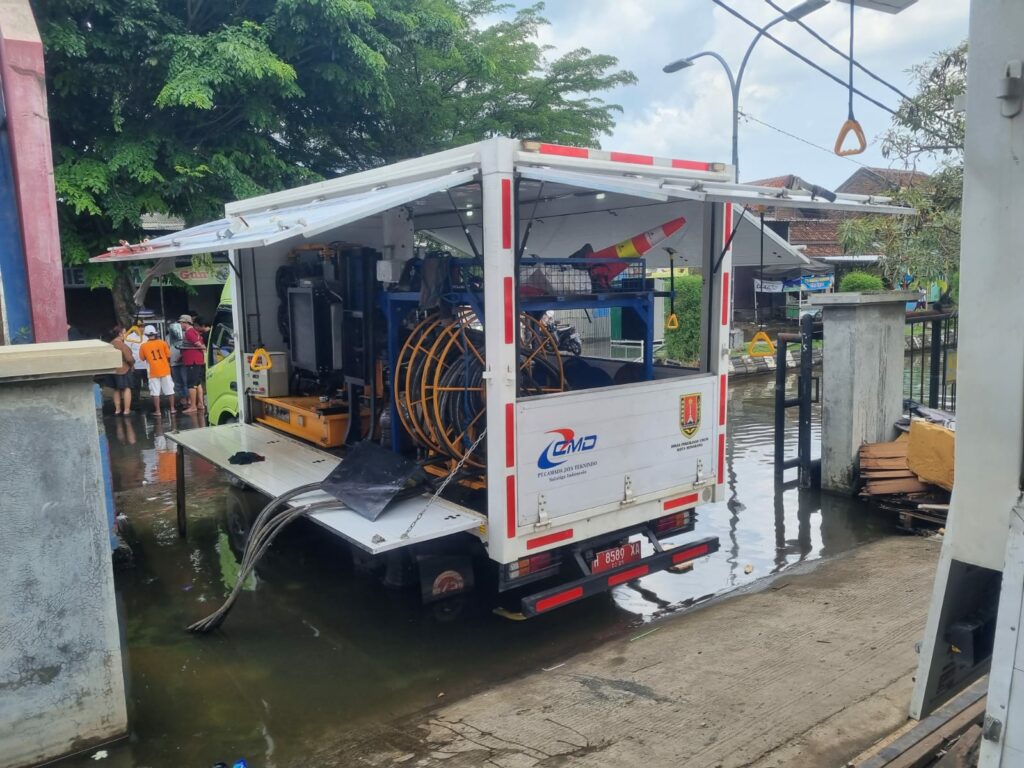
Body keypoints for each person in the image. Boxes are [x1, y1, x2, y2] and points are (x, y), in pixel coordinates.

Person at [138, 325, 175, 413]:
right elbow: (168, 355)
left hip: (153, 371)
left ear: (146, 335)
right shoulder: (162, 343)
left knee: (155, 392)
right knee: (170, 390)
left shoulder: (143, 346)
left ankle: (158, 411)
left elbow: (142, 358)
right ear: (155, 333)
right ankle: (173, 409)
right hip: (165, 369)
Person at [178, 314, 206, 413]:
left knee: (191, 384)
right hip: (196, 360)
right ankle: (201, 404)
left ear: (186, 322)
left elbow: (200, 345)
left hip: (193, 362)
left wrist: (204, 353)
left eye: (181, 322)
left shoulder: (189, 332)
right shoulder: (194, 331)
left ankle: (193, 406)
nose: (180, 324)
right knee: (197, 383)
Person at [108, 325, 135, 415]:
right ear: (120, 334)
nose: (126, 334)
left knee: (116, 389)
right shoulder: (122, 345)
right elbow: (129, 359)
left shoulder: (110, 344)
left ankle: (117, 410)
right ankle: (127, 410)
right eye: (124, 332)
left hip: (112, 370)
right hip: (123, 369)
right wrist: (132, 365)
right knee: (126, 389)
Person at [167, 320, 189, 411]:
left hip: (183, 362)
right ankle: (182, 400)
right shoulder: (167, 337)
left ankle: (189, 399)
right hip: (173, 363)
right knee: (177, 382)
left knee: (186, 381)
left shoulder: (184, 334)